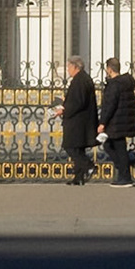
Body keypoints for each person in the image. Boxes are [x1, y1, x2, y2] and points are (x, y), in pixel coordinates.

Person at [52, 56, 98, 184]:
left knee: (70, 147)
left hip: (77, 121)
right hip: (81, 120)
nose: (67, 70)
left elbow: (78, 102)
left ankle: (88, 165)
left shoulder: (80, 81)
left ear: (75, 67)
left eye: (69, 67)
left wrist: (64, 110)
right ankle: (79, 177)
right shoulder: (82, 79)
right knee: (78, 148)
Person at [98, 57, 135, 188]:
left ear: (109, 69)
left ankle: (125, 175)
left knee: (115, 148)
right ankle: (123, 173)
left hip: (116, 121)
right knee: (114, 147)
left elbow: (110, 104)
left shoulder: (114, 84)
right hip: (123, 119)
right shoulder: (125, 83)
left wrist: (103, 122)